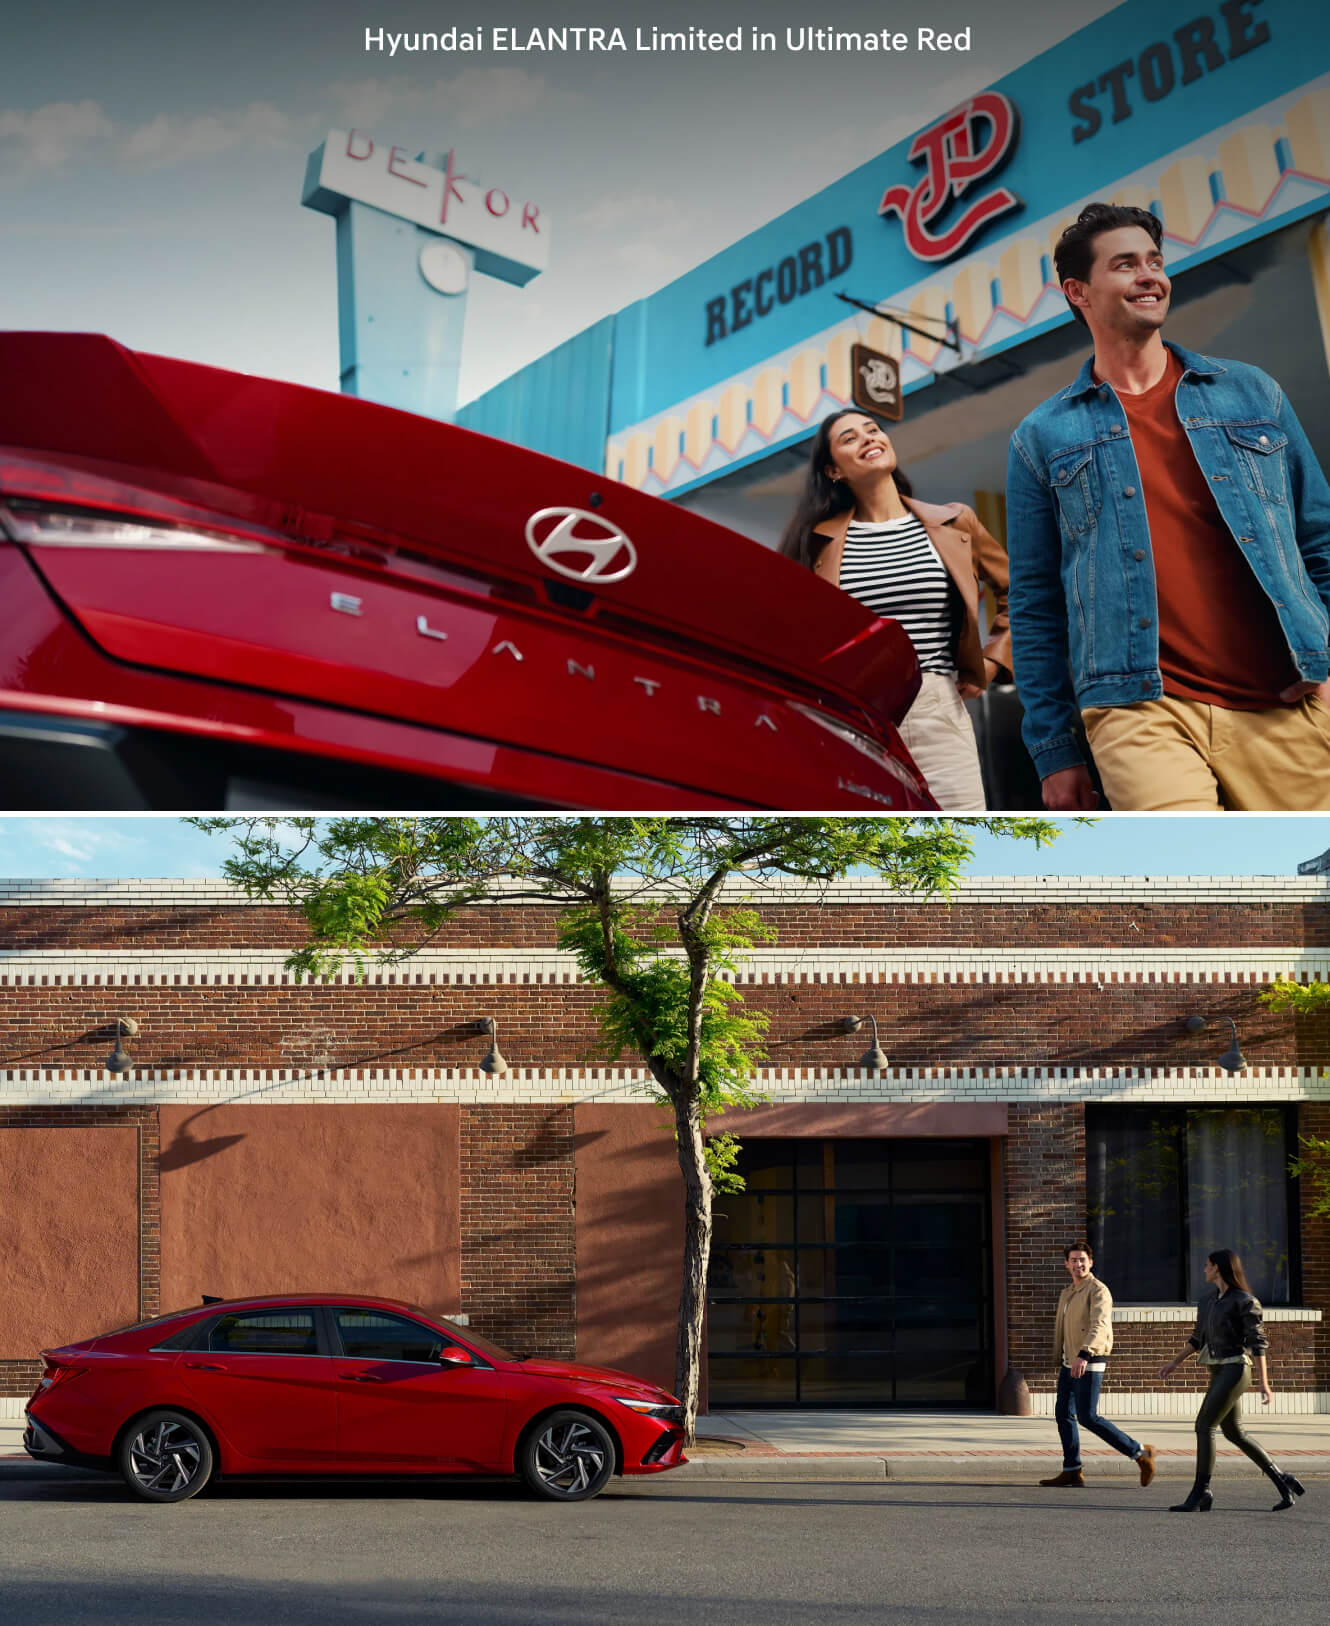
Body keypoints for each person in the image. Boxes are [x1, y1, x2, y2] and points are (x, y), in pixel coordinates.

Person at [1006, 201, 1330, 812]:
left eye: (1155, 261)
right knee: (1190, 862)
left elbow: (1319, 539)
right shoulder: (1040, 437)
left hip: (1285, 695)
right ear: (1078, 291)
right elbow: (1034, 606)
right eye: (1125, 264)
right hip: (1136, 708)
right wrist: (1055, 749)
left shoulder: (1251, 392)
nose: (1149, 276)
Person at [779, 408, 1011, 809]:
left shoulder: (955, 522)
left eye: (872, 429)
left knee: (960, 836)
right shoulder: (816, 543)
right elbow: (792, 632)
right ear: (833, 470)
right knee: (872, 839)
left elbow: (1022, 592)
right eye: (849, 438)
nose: (868, 437)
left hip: (937, 707)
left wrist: (991, 662)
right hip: (856, 716)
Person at [1159, 1247, 1307, 1513]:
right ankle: (1282, 1480)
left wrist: (1264, 1382)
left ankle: (1200, 1492)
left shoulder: (1245, 1301)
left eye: (1207, 1265)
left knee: (1204, 1426)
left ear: (1217, 1267)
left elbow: (1258, 1343)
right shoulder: (1207, 1301)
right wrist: (1174, 1362)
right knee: (1234, 1433)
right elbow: (1197, 1338)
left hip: (1235, 1370)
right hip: (1218, 1370)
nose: (1204, 1269)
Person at [1039, 1242, 1156, 1489]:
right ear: (1066, 1264)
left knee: (1088, 1417)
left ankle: (1139, 1452)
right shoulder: (1068, 1292)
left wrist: (1084, 1354)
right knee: (1063, 1414)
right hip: (1069, 1362)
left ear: (1090, 1262)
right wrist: (1061, 1357)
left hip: (1088, 1360)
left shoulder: (1098, 1290)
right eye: (1073, 1260)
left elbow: (1099, 1325)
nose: (1078, 1264)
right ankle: (1072, 1470)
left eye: (1082, 1259)